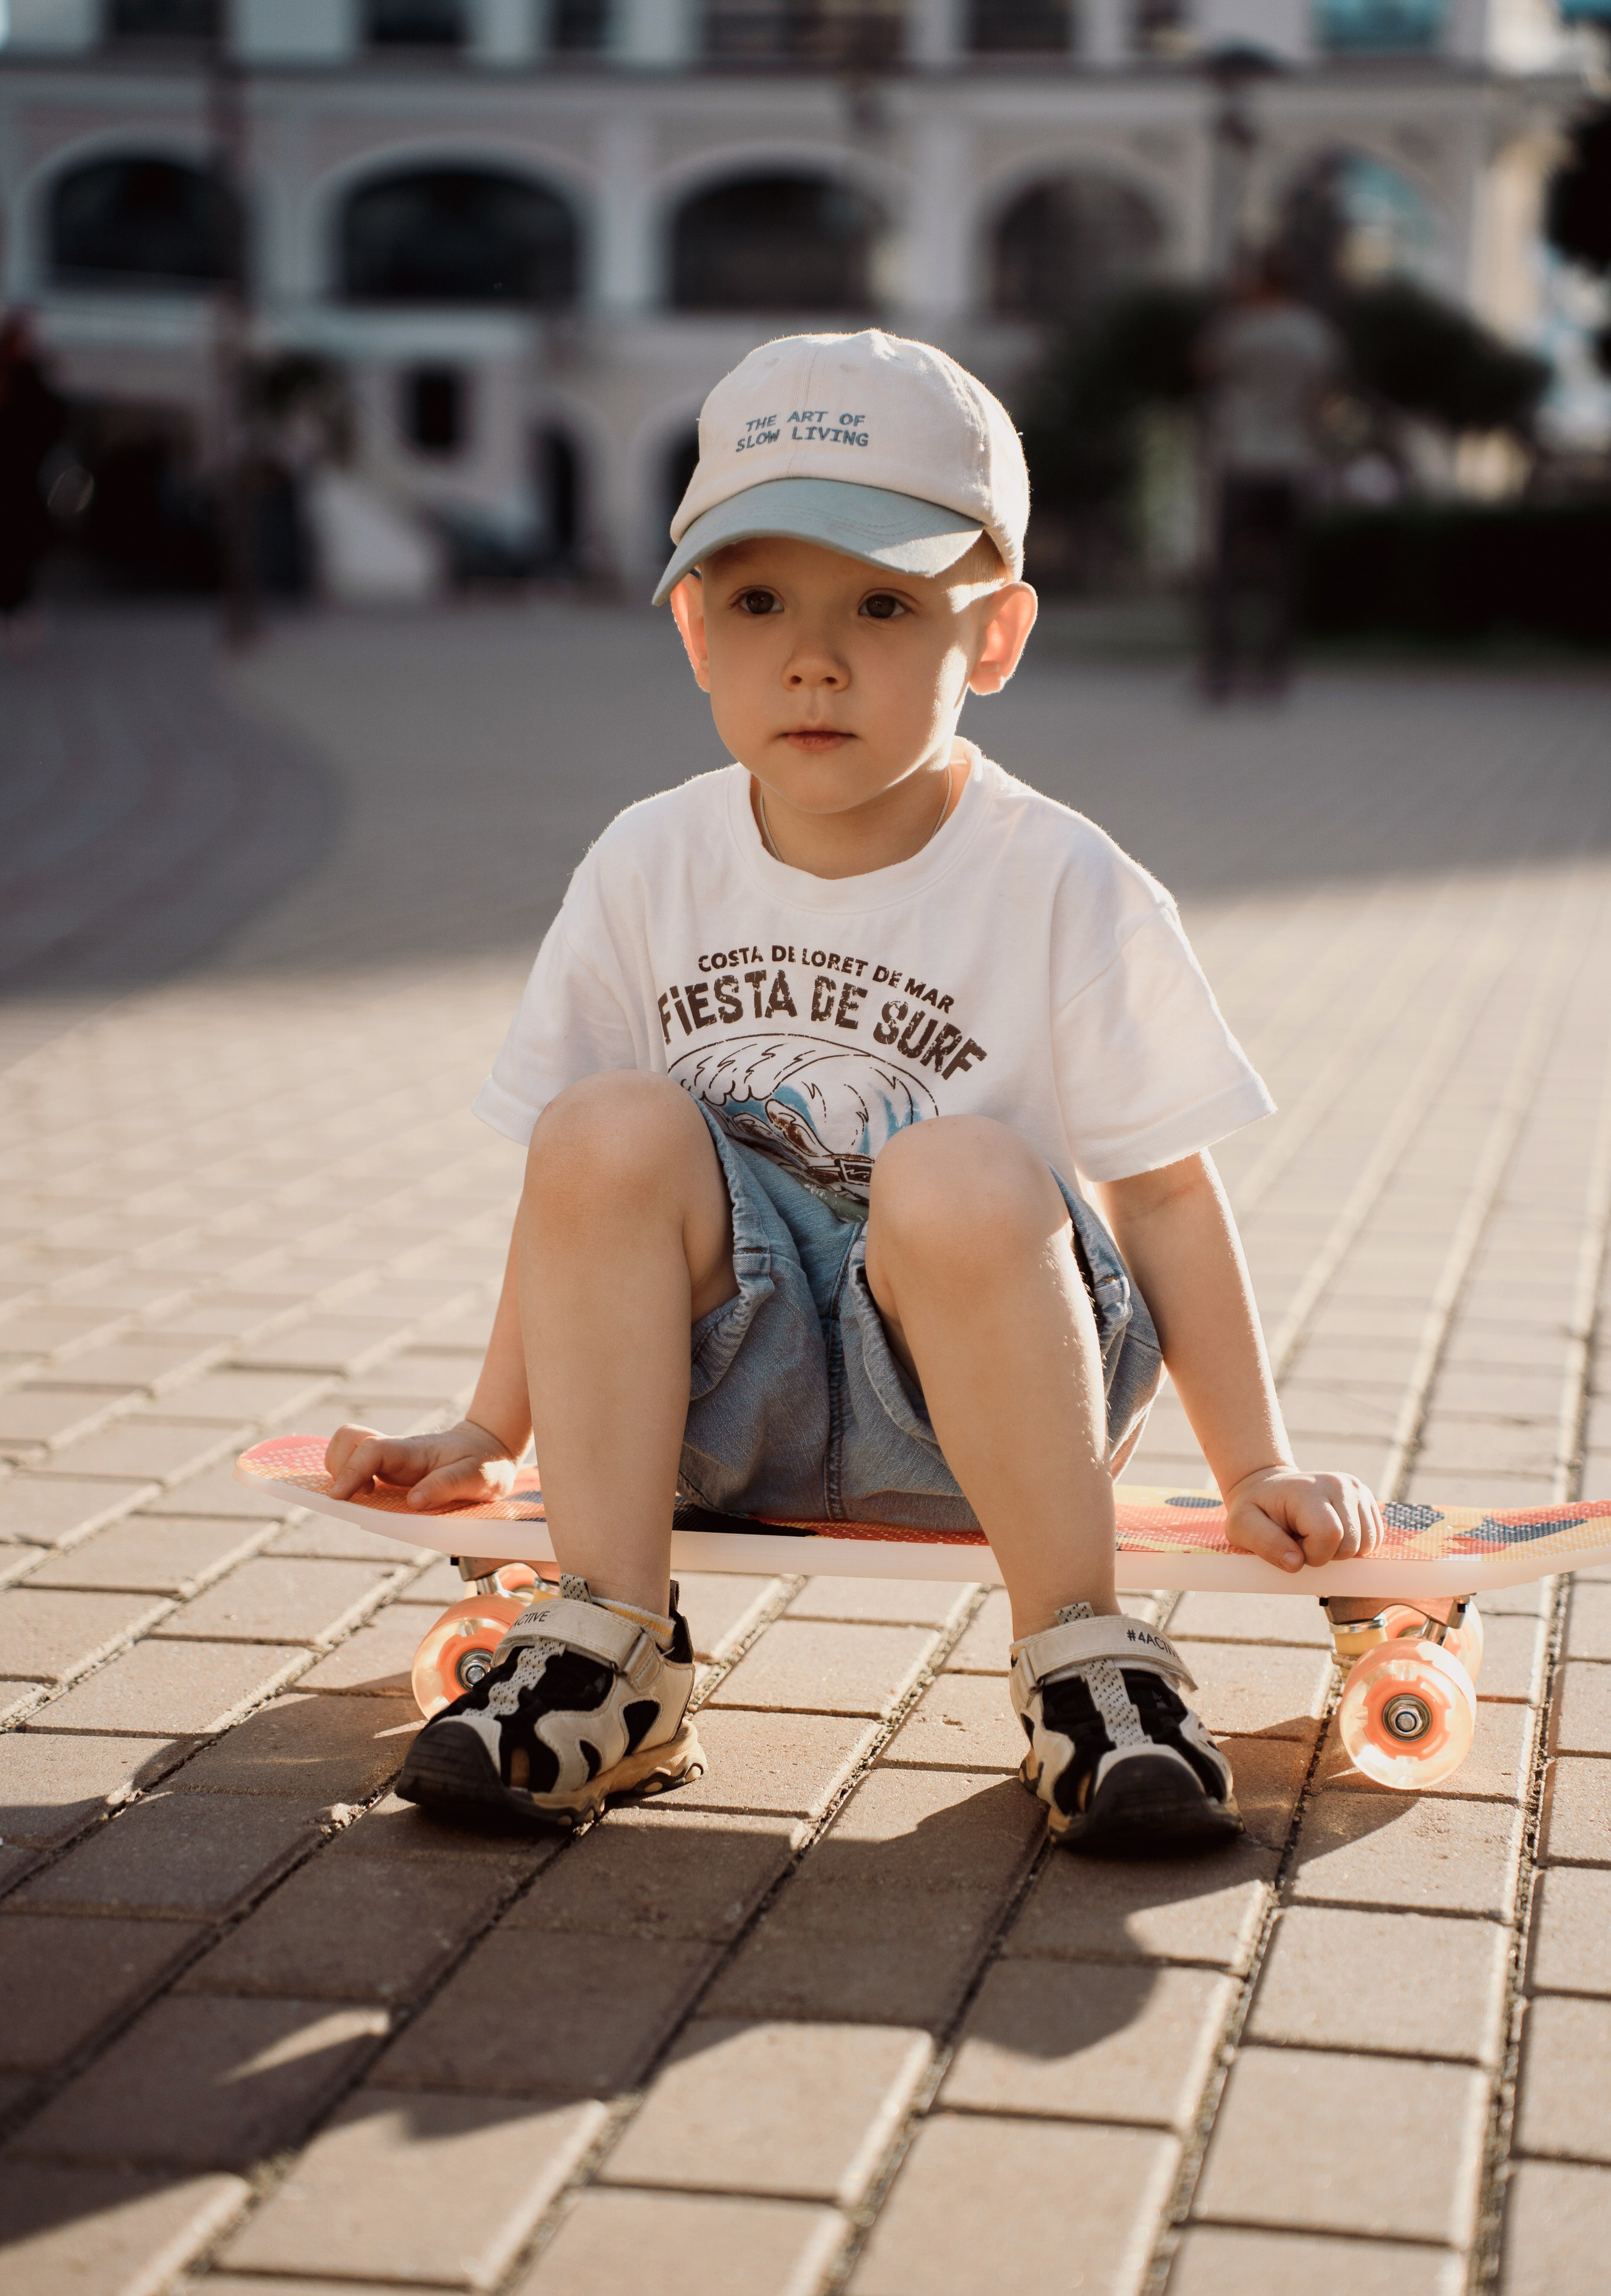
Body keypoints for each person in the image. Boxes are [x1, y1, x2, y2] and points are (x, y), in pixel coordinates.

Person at [327, 327, 1394, 1856]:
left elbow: (1160, 1189)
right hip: (713, 1411)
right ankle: (610, 1639)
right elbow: (575, 1199)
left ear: (996, 634)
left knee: (954, 1168)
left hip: (980, 1408)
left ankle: (1082, 1655)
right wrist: (491, 1425)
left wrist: (1254, 1466)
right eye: (759, 600)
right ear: (693, 629)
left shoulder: (1059, 879)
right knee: (604, 1121)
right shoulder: (648, 863)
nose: (811, 660)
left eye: (883, 605)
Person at [1198, 253, 1342, 699]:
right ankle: (1274, 668)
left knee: (1228, 571)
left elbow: (1204, 367)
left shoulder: (1240, 328)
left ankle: (1222, 667)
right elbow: (1323, 395)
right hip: (1292, 460)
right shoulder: (1312, 332)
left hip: (1242, 457)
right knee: (1285, 571)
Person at [0, 312, 68, 653]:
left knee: (18, 549)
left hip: (18, 482)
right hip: (14, 481)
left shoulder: (28, 380)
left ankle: (17, 609)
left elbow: (51, 419)